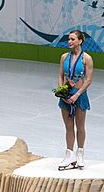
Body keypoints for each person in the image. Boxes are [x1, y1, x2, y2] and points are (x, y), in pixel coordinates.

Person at [57, 30, 93, 170]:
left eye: (72, 39)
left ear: (80, 41)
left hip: (79, 96)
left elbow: (88, 80)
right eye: (68, 39)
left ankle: (80, 154)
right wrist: (62, 92)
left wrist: (76, 95)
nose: (69, 41)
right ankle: (69, 154)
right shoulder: (64, 57)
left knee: (80, 126)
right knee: (68, 127)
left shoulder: (86, 58)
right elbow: (60, 75)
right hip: (66, 96)